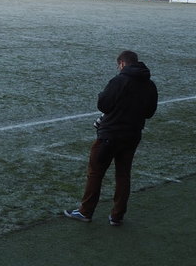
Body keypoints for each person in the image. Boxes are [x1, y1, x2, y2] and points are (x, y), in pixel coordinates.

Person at [64, 50, 158, 225]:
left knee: (95, 172)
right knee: (123, 175)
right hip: (132, 135)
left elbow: (104, 105)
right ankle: (117, 215)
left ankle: (85, 211)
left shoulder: (119, 81)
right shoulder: (149, 85)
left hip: (110, 135)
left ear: (122, 63)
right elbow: (150, 112)